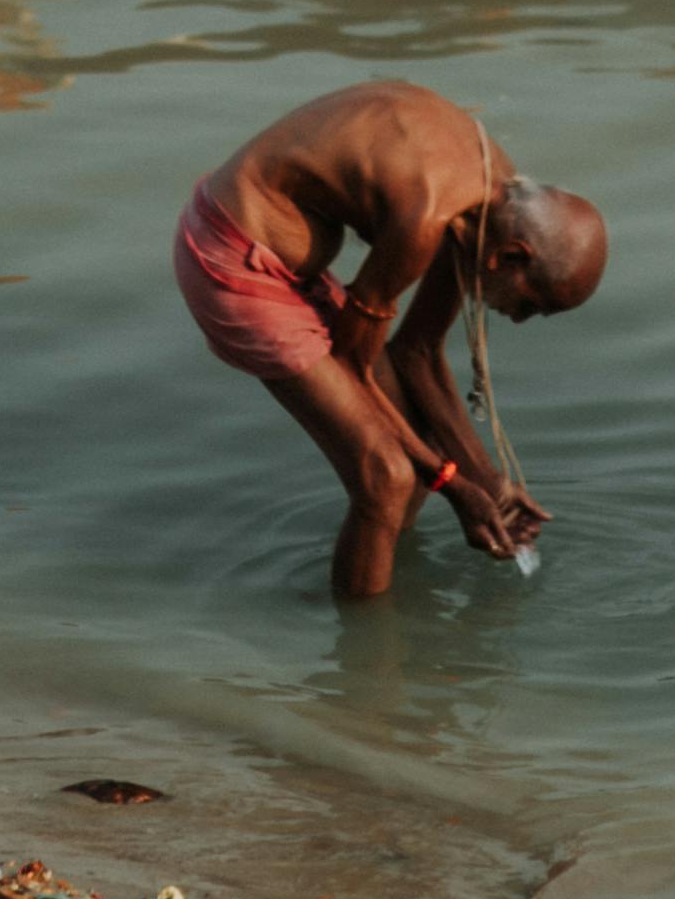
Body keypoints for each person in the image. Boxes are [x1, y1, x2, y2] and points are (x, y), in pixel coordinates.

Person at [172, 79, 607, 598]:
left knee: (408, 442)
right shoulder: (425, 217)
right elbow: (356, 367)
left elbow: (416, 353)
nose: (515, 320)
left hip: (286, 263)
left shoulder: (490, 194)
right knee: (388, 478)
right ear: (511, 257)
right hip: (230, 262)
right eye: (529, 306)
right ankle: (365, 665)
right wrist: (451, 483)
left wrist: (489, 484)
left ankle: (379, 558)